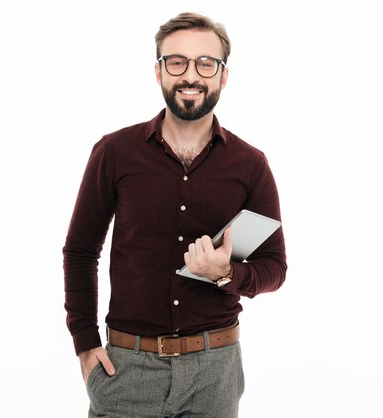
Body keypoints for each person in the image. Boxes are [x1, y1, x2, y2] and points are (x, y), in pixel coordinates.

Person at [63, 11, 287, 418]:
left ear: (222, 75)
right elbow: (80, 252)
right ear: (158, 71)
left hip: (214, 373)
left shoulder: (251, 165)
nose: (191, 75)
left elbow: (274, 268)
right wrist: (84, 342)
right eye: (176, 62)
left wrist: (225, 274)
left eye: (206, 63)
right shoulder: (114, 152)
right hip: (126, 369)